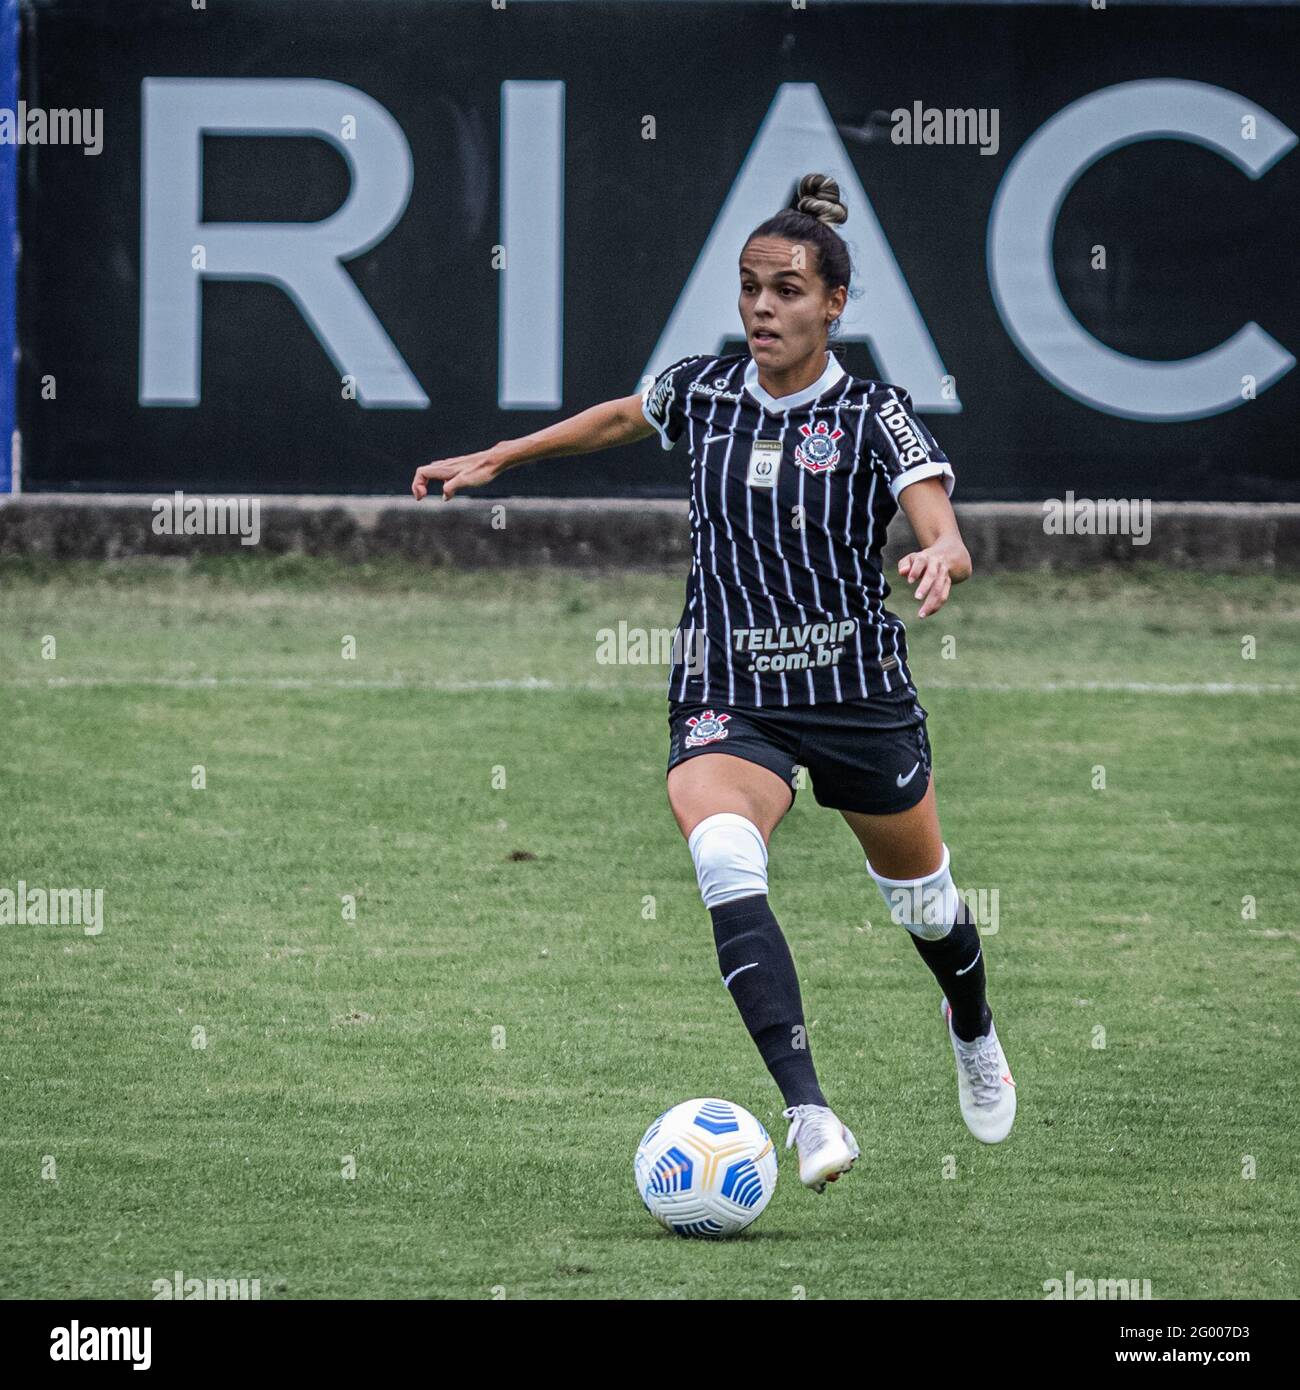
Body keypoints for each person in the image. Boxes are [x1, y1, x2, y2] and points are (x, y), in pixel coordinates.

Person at [412, 171, 1016, 1195]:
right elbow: (617, 415)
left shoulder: (873, 411)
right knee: (725, 861)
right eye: (749, 289)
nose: (762, 309)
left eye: (785, 290)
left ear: (831, 303)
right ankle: (807, 1109)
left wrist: (937, 560)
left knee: (925, 907)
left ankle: (971, 1022)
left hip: (856, 692)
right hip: (726, 687)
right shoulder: (703, 390)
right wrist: (503, 456)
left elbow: (939, 521)